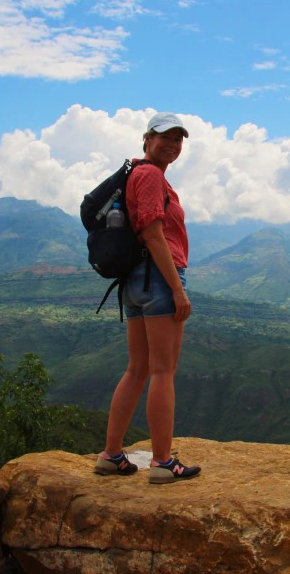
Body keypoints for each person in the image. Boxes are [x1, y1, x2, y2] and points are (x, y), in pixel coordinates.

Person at [94, 112, 201, 484]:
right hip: (158, 277)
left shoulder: (135, 174)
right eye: (165, 137)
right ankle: (162, 462)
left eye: (178, 139)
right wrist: (177, 288)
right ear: (146, 139)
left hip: (134, 281)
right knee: (162, 371)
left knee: (137, 369)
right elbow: (154, 235)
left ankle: (111, 455)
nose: (172, 145)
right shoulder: (152, 176)